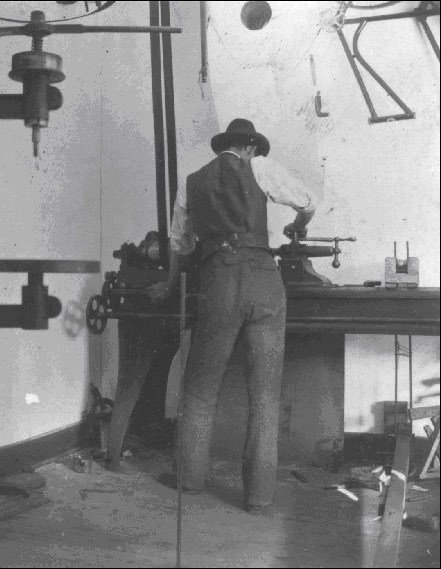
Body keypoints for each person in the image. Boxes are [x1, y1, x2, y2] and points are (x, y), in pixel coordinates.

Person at [148, 118, 317, 514]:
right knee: (264, 397)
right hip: (265, 281)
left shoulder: (192, 181)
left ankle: (189, 481)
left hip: (219, 280)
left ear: (227, 146)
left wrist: (169, 285)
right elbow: (307, 200)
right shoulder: (260, 168)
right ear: (251, 148)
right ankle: (258, 499)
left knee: (201, 390)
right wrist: (298, 223)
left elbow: (180, 244)